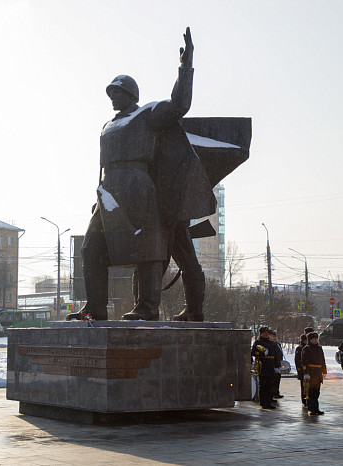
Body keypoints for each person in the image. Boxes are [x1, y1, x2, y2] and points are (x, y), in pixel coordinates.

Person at [68, 28, 215, 322]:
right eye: (110, 94)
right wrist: (98, 196)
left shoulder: (147, 114)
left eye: (117, 93)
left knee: (148, 248)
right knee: (91, 248)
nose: (112, 98)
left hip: (139, 185)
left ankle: (147, 308)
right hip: (109, 190)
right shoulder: (108, 124)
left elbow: (180, 105)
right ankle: (94, 307)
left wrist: (186, 66)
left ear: (130, 94)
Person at [301, 332, 327, 415]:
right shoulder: (306, 348)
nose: (315, 340)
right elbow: (304, 362)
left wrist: (324, 371)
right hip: (311, 372)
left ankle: (316, 408)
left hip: (318, 372)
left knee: (316, 392)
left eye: (316, 339)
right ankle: (311, 408)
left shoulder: (319, 348)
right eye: (313, 339)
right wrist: (306, 372)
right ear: (310, 340)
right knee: (310, 392)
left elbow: (322, 360)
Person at [252, 326, 277, 409]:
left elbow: (276, 355)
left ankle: (269, 402)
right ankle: (263, 402)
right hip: (263, 365)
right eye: (264, 333)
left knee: (270, 385)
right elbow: (253, 353)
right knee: (263, 385)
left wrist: (277, 366)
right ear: (261, 333)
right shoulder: (258, 342)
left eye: (267, 332)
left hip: (271, 366)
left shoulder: (272, 343)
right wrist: (262, 354)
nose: (266, 334)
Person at [294, 334, 308, 408]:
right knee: (303, 386)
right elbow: (297, 360)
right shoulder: (299, 349)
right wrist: (299, 370)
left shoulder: (309, 348)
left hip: (309, 370)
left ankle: (309, 399)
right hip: (302, 370)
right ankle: (304, 400)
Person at [270, 329, 284, 399]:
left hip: (278, 363)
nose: (274, 337)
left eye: (274, 336)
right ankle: (273, 393)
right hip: (273, 364)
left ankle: (276, 392)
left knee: (277, 379)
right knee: (273, 380)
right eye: (273, 336)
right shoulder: (270, 344)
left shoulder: (278, 344)